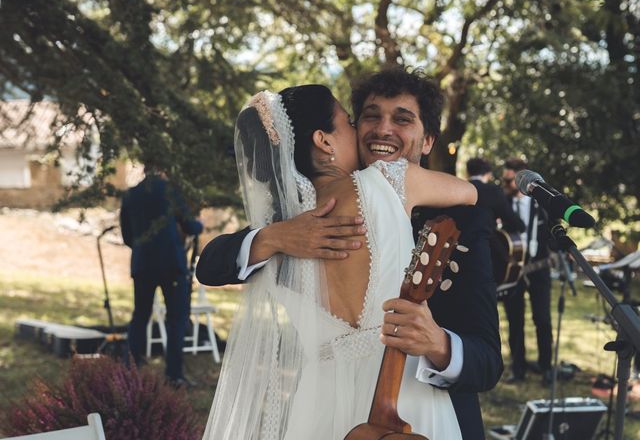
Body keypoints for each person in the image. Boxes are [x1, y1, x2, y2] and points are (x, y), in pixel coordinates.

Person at [198, 69, 503, 439]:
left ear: (427, 141)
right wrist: (272, 237)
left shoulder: (465, 225)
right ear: (326, 140)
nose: (382, 129)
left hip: (357, 406)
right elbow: (212, 264)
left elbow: (487, 362)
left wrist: (439, 344)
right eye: (368, 117)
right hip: (340, 405)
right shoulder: (289, 229)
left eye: (402, 119)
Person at [120, 167, 203, 387]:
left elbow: (127, 236)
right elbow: (191, 226)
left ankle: (130, 370)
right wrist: (198, 223)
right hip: (171, 264)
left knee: (140, 316)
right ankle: (174, 374)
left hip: (143, 264)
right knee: (176, 319)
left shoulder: (130, 194)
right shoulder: (171, 191)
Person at [501, 157, 553, 385]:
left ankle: (546, 367)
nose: (506, 184)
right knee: (515, 321)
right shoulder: (501, 203)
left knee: (542, 319)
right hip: (512, 272)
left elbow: (553, 233)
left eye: (510, 180)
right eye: (505, 179)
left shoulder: (541, 204)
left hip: (539, 270)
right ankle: (518, 368)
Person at [466, 157, 525, 234]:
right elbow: (516, 223)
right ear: (489, 174)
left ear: (467, 172)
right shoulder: (493, 191)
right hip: (482, 242)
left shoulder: (459, 188)